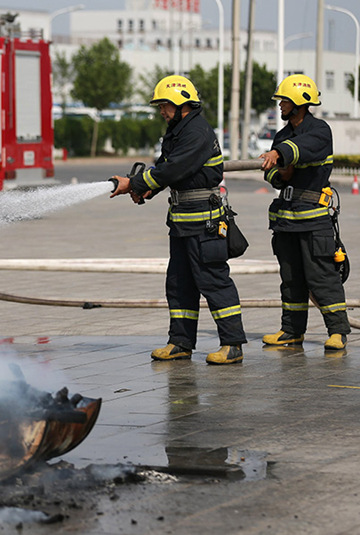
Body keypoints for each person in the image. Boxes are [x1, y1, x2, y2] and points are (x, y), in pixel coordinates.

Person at [110, 75, 247, 365]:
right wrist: (146, 188)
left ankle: (233, 344)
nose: (161, 111)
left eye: (164, 105)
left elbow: (174, 169)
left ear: (182, 104)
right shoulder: (178, 130)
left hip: (205, 224)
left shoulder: (196, 131)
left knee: (213, 281)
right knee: (179, 283)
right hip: (183, 223)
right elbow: (165, 168)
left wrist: (133, 183)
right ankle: (181, 342)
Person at [258, 74, 350, 350]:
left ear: (300, 102)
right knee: (291, 280)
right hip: (286, 221)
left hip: (314, 221)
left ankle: (337, 331)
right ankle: (291, 331)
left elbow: (302, 150)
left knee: (322, 277)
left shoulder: (320, 131)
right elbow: (275, 174)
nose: (281, 105)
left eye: (285, 100)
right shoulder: (283, 134)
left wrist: (281, 156)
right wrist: (279, 172)